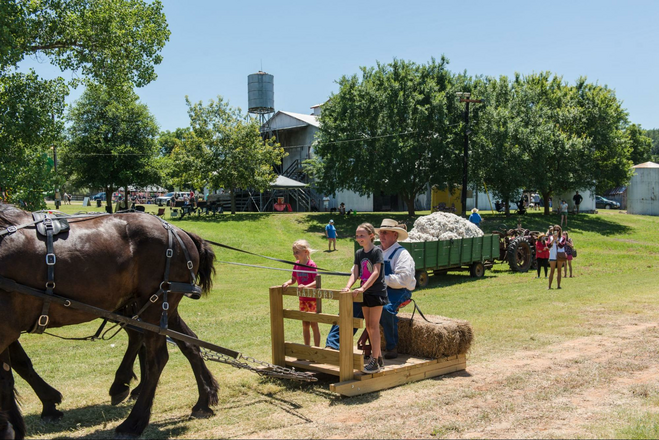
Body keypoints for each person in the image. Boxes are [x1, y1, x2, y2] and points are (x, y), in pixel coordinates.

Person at [341, 223, 388, 373]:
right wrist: (348, 286)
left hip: (376, 293)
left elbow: (375, 272)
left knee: (373, 327)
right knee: (368, 326)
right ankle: (378, 358)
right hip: (365, 293)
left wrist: (362, 287)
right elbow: (355, 272)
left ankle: (374, 361)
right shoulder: (359, 253)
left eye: (362, 235)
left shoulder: (377, 252)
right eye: (357, 235)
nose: (359, 238)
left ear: (371, 236)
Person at [375, 219, 416, 360]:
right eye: (380, 233)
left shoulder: (402, 254)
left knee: (385, 309)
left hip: (399, 290)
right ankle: (335, 344)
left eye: (385, 233)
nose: (382, 236)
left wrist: (380, 279)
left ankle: (392, 346)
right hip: (377, 289)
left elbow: (403, 280)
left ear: (395, 235)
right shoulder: (375, 251)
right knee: (352, 303)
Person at [282, 240, 320, 347]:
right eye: (294, 252)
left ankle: (317, 349)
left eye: (297, 252)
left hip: (312, 299)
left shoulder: (311, 264)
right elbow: (293, 279)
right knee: (305, 325)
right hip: (302, 299)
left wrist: (306, 287)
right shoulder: (296, 265)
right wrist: (287, 283)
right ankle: (307, 348)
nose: (295, 254)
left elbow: (317, 281)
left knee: (314, 324)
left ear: (306, 252)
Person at [548, 225, 566, 289]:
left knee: (559, 270)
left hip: (560, 255)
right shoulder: (550, 237)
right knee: (552, 271)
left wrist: (557, 240)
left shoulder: (562, 238)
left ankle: (558, 285)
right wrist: (553, 240)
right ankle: (549, 286)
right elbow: (549, 245)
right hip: (553, 255)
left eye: (558, 230)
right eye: (555, 230)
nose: (556, 231)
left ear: (560, 231)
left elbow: (561, 245)